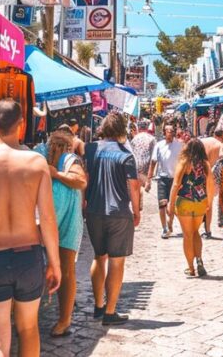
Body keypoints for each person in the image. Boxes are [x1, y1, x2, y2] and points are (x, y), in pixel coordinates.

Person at [0, 99, 62, 356]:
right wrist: (55, 263)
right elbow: (48, 220)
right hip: (28, 256)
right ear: (21, 125)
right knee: (28, 329)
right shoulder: (36, 163)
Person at [84, 113, 141, 325]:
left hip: (94, 211)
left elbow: (85, 178)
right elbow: (134, 186)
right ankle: (110, 312)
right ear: (121, 130)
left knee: (99, 257)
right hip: (118, 213)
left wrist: (84, 203)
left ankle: (98, 306)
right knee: (117, 262)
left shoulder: (91, 150)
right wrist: (136, 211)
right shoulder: (125, 155)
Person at [44, 129, 87, 338]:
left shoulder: (70, 159)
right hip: (46, 221)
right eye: (53, 146)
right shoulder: (41, 157)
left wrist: (56, 174)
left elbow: (81, 181)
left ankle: (64, 319)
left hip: (68, 221)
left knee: (67, 268)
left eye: (58, 146)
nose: (55, 149)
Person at [167, 139, 215, 277]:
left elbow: (176, 184)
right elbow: (210, 184)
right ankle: (199, 260)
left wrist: (171, 204)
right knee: (196, 232)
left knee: (187, 235)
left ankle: (191, 268)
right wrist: (209, 203)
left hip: (185, 201)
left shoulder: (184, 162)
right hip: (200, 202)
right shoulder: (205, 164)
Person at [148, 123, 182, 239]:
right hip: (162, 178)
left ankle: (170, 223)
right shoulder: (159, 145)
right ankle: (164, 228)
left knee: (173, 206)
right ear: (164, 133)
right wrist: (148, 180)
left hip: (175, 180)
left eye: (172, 131)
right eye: (168, 131)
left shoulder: (179, 145)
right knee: (162, 205)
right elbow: (153, 163)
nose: (171, 133)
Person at [198, 128, 223, 239]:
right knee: (209, 204)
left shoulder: (202, 142)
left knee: (199, 201)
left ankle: (197, 224)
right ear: (222, 135)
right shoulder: (220, 145)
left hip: (200, 175)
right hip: (212, 177)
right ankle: (208, 230)